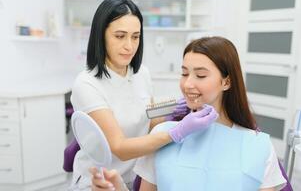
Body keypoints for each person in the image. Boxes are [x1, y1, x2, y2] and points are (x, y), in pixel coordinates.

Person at [90, 36, 287, 191]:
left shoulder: (257, 145)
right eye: (184, 73)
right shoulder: (163, 136)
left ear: (226, 82)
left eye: (200, 75)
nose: (187, 84)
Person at [69, 0, 218, 190]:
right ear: (101, 35)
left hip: (135, 178)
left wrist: (174, 111)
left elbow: (147, 121)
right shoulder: (87, 83)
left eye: (135, 36)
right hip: (99, 182)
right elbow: (120, 148)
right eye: (120, 36)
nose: (129, 46)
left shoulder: (141, 74)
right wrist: (178, 131)